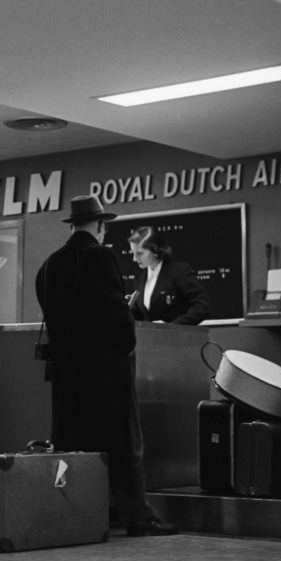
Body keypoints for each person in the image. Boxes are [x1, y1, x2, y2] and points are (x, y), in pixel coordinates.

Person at [35, 195, 178, 537]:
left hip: (66, 374)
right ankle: (136, 515)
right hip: (104, 372)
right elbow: (116, 316)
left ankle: (77, 513)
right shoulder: (99, 255)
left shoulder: (50, 264)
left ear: (73, 225)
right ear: (100, 226)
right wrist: (126, 343)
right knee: (123, 443)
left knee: (74, 443)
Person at [126, 226, 211, 325]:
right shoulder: (139, 279)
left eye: (139, 253)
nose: (134, 259)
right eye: (133, 253)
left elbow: (201, 307)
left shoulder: (179, 272)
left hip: (179, 337)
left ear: (155, 250)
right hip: (150, 338)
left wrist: (172, 327)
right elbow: (140, 315)